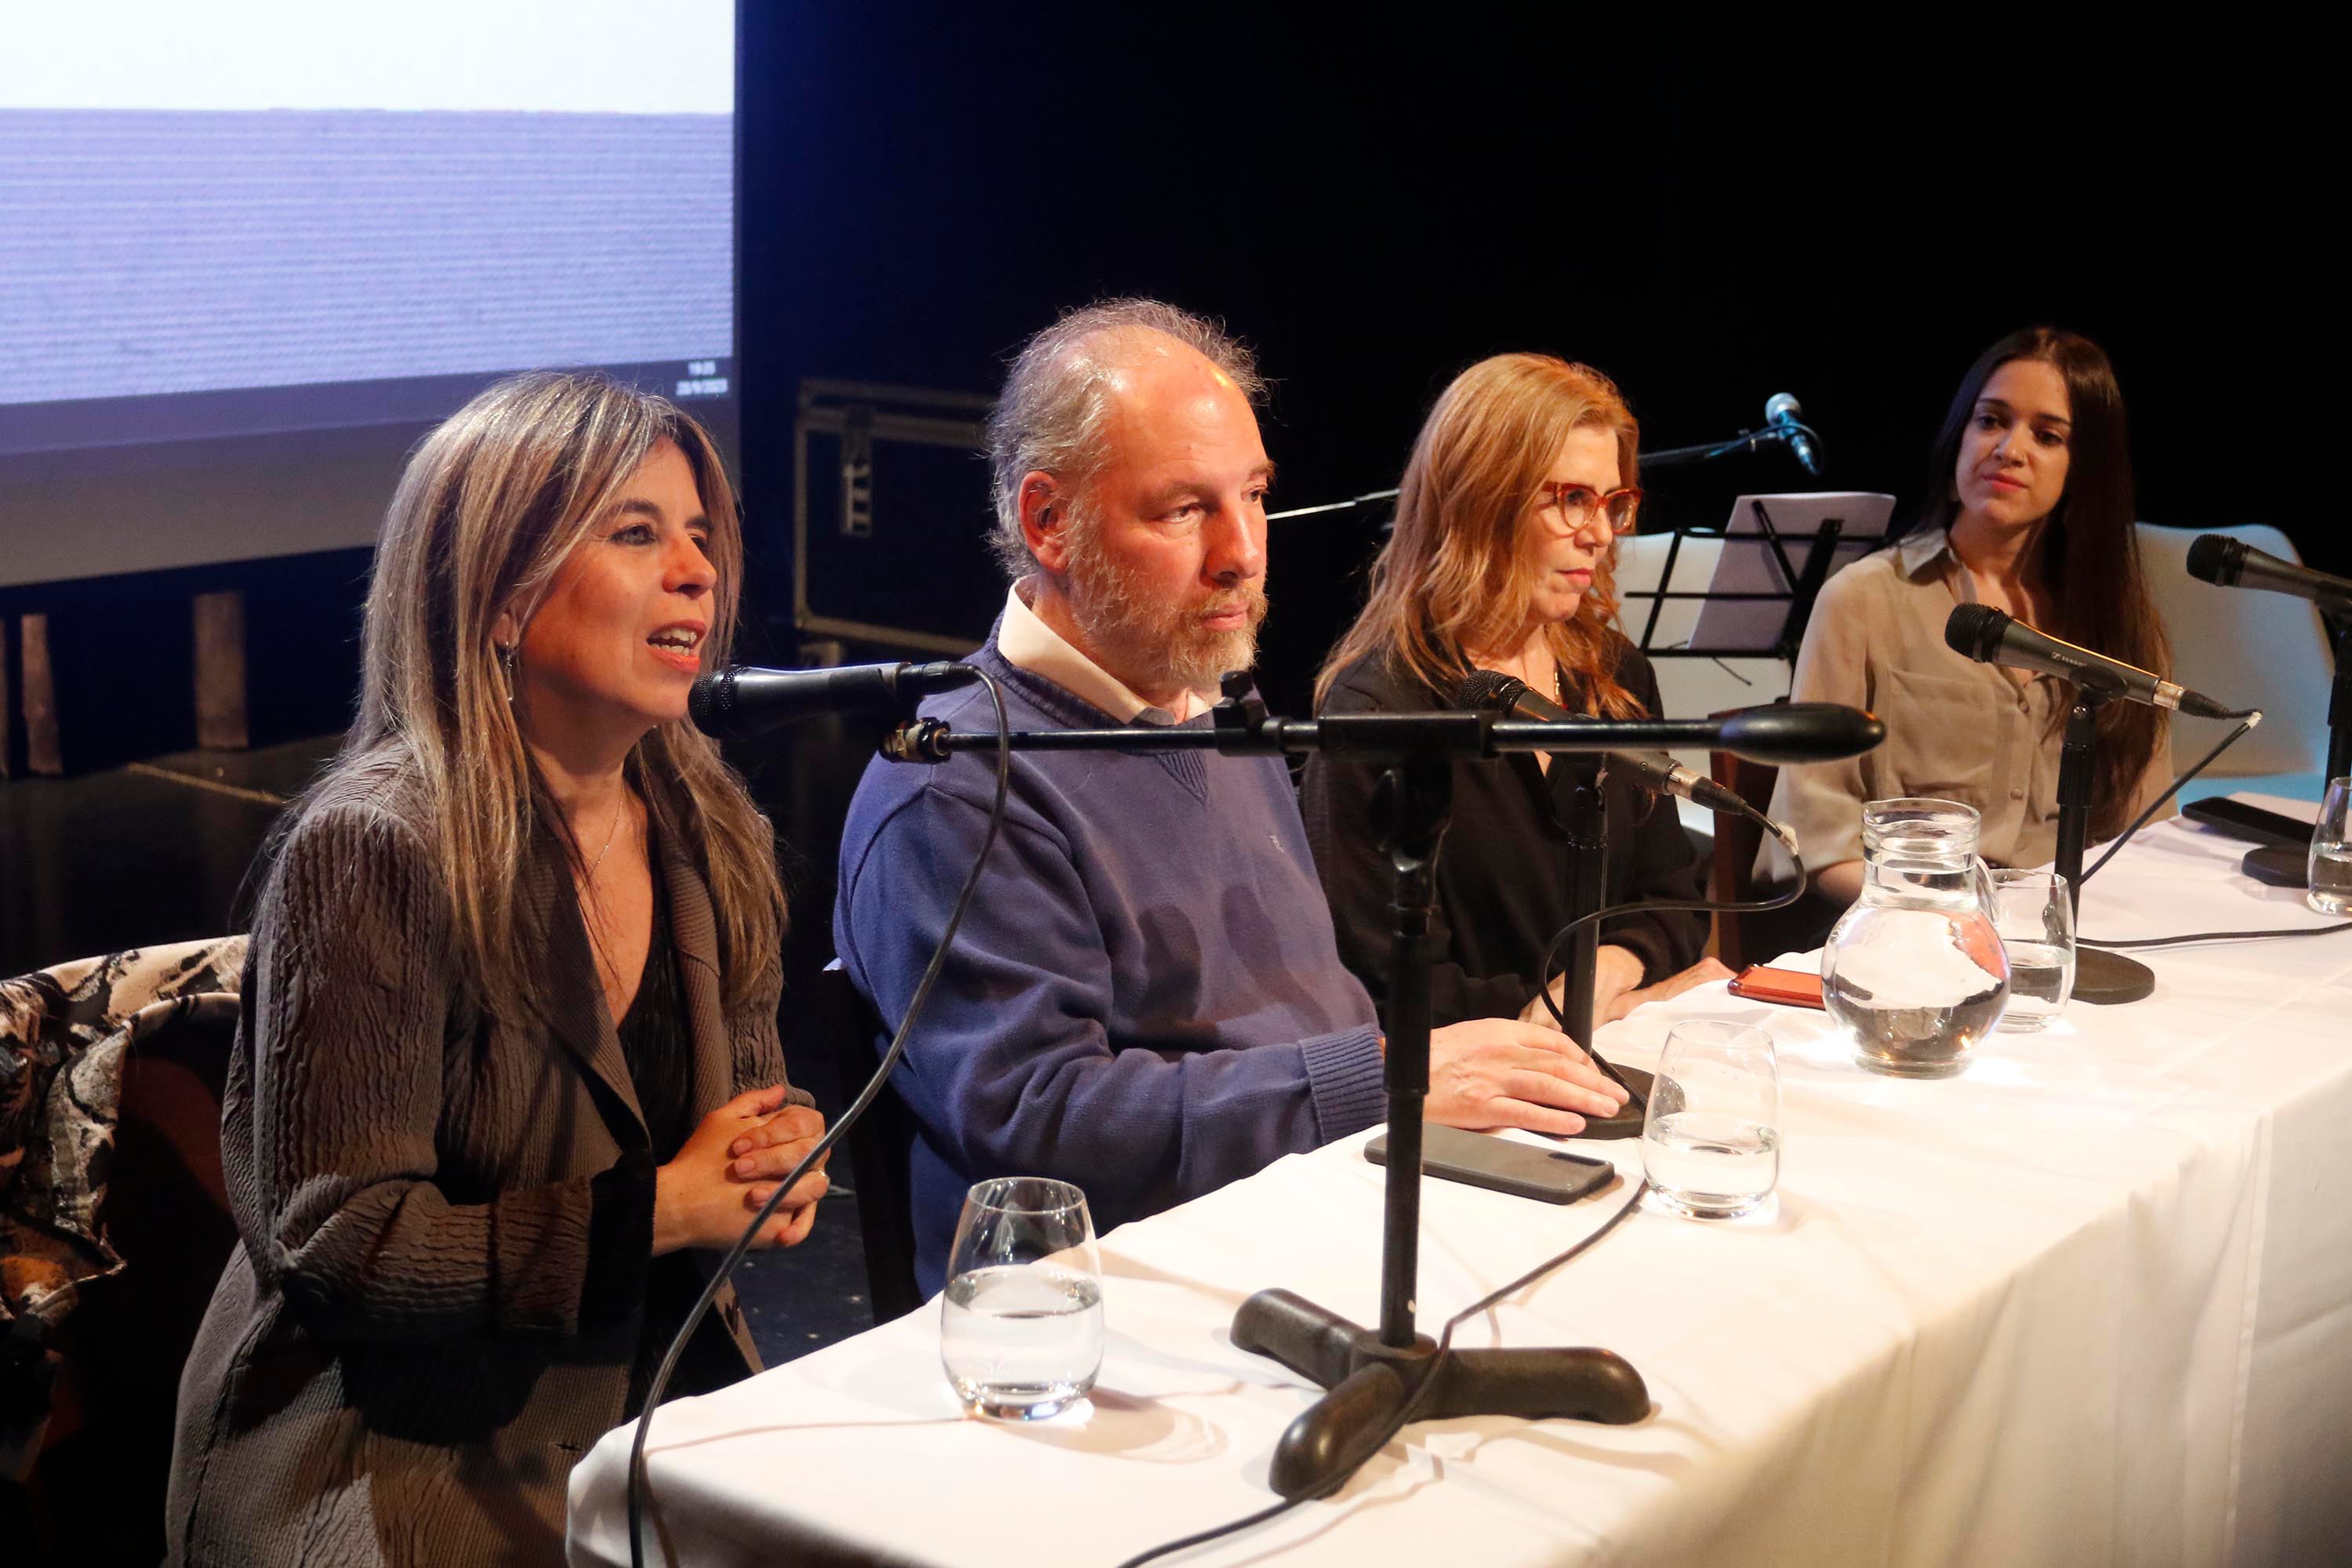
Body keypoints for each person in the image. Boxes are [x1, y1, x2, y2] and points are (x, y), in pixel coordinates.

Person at [168, 372, 830, 1567]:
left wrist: (769, 1161)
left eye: (698, 537)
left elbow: (737, 1125)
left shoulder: (704, 819)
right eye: (636, 534)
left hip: (641, 1412)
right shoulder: (375, 845)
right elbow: (344, 1245)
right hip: (394, 1465)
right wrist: (666, 1210)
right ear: (504, 596)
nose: (696, 571)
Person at [833, 301, 1628, 1291]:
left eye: (1253, 495)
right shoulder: (955, 784)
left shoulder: (1219, 711)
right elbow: (1041, 1114)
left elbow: (1303, 1013)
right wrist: (1389, 1075)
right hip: (1126, 1303)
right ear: (1049, 522)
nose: (1244, 551)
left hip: (1321, 1212)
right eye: (1182, 509)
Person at [1305, 353, 1728, 1034]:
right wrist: (1592, 1009)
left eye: (1613, 502)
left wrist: (1607, 975)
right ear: (1481, 502)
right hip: (1474, 1102)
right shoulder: (1382, 709)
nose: (1599, 533)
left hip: (1622, 1052)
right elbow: (1389, 986)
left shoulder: (1614, 675)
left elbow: (1672, 898)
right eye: (1571, 500)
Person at [1765, 328, 2174, 906]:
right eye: (1991, 421)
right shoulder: (1863, 599)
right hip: (1910, 926)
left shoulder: (2117, 623)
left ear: (2084, 469)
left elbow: (2148, 837)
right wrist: (1954, 914)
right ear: (1958, 436)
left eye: (2048, 435)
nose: (2010, 449)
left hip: (2068, 935)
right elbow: (1815, 841)